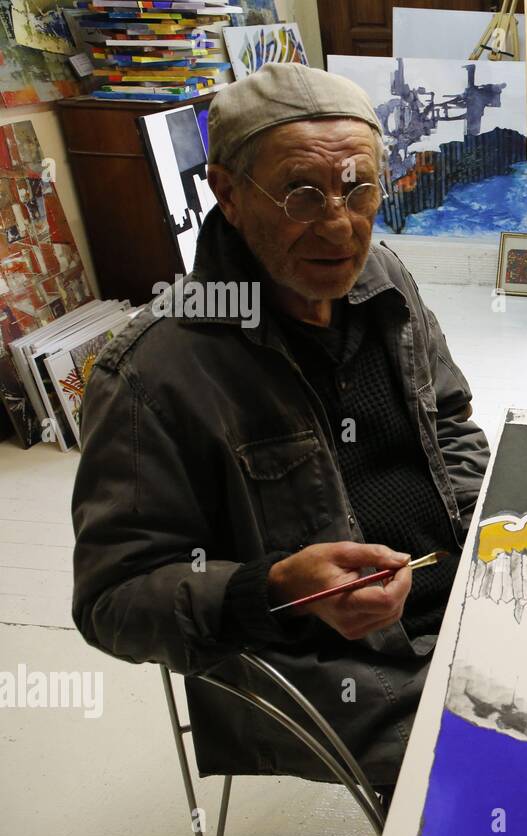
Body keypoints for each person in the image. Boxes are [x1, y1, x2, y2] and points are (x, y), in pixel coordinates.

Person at [71, 64, 489, 789]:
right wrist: (275, 590)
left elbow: (447, 417)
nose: (338, 223)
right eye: (301, 192)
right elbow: (114, 601)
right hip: (322, 663)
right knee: (495, 784)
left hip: (462, 601)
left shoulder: (385, 280)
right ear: (226, 193)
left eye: (360, 188)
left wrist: (490, 538)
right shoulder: (151, 372)